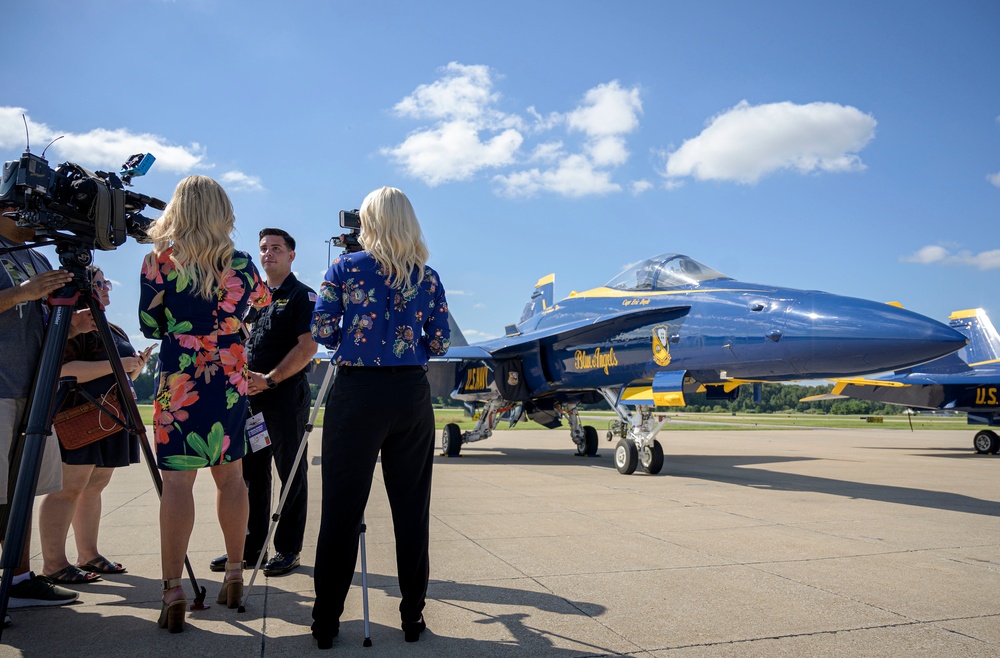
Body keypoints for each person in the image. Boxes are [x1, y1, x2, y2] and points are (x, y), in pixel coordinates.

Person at [310, 187, 450, 649]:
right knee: (412, 511)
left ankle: (326, 621)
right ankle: (413, 617)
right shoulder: (427, 278)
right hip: (410, 392)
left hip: (358, 394)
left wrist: (357, 333)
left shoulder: (345, 269)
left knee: (341, 512)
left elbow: (323, 330)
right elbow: (440, 343)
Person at [138, 176, 269, 633]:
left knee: (177, 486)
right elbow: (261, 301)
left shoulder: (158, 262)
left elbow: (149, 325)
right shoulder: (241, 262)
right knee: (231, 477)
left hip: (180, 377)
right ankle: (234, 573)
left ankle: (172, 588)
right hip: (229, 374)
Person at [0, 209, 94, 617]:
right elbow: (22, 300)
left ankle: (19, 579)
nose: (38, 220)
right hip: (1, 391)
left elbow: (34, 320)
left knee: (21, 491)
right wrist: (22, 292)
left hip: (35, 391)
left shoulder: (36, 256)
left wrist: (72, 326)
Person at [209, 228, 317, 577]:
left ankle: (288, 549)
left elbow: (307, 347)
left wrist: (270, 379)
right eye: (263, 249)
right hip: (251, 400)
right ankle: (251, 549)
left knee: (290, 473)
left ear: (291, 255)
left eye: (276, 248)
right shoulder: (255, 299)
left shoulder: (302, 296)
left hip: (284, 397)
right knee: (252, 476)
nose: (268, 254)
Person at [38, 266, 151, 585]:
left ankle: (88, 554)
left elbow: (121, 373)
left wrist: (135, 368)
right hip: (81, 416)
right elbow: (62, 369)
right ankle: (53, 564)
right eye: (98, 283)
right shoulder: (71, 324)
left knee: (95, 485)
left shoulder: (110, 326)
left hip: (110, 417)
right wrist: (119, 366)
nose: (106, 288)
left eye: (105, 283)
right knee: (69, 488)